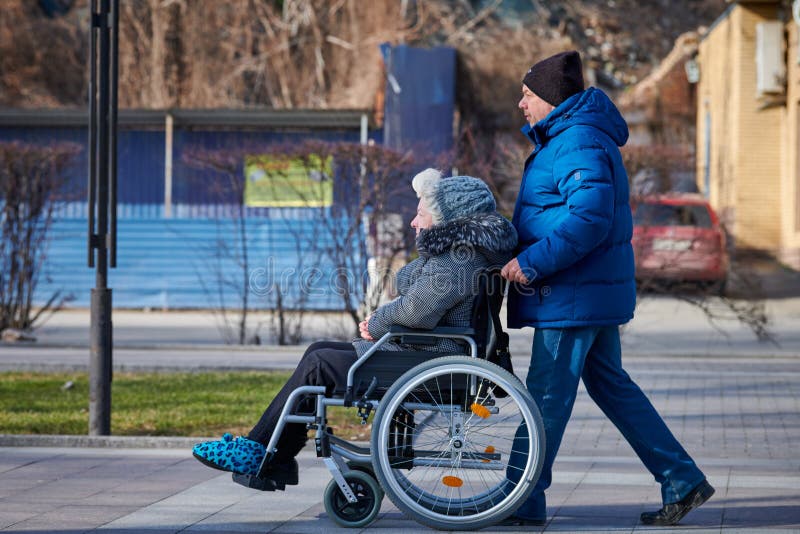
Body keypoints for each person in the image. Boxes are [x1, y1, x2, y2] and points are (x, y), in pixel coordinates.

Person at [192, 168, 517, 488]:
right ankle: (275, 457)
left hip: (427, 359)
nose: (413, 222)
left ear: (449, 220)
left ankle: (261, 452)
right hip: (426, 354)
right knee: (318, 351)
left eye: (421, 215)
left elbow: (417, 312)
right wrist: (429, 249)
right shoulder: (456, 255)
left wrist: (377, 323)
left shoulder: (456, 260)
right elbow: (404, 282)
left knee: (319, 364)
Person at [500, 50, 714, 527]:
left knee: (546, 398)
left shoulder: (576, 141)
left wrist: (531, 262)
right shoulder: (573, 138)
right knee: (611, 386)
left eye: (529, 95)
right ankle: (681, 478)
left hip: (572, 295)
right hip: (585, 292)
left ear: (553, 100)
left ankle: (519, 496)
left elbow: (589, 218)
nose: (522, 104)